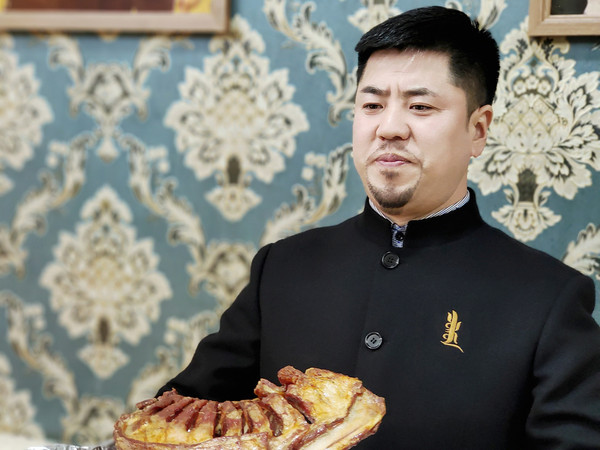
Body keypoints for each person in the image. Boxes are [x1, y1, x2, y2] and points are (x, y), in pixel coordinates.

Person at [158, 6, 600, 448]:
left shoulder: (548, 298)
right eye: (371, 105)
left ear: (478, 130)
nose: (389, 128)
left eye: (420, 106)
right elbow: (175, 420)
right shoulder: (283, 267)